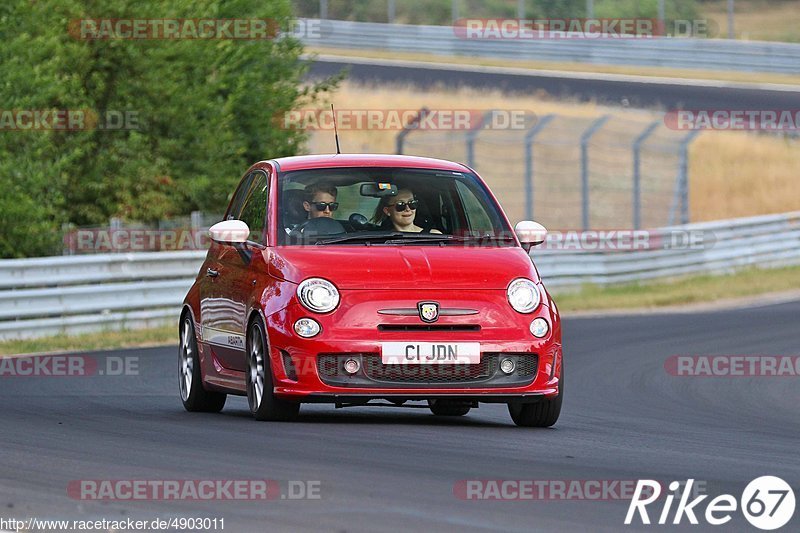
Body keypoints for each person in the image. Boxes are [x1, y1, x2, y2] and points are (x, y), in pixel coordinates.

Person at [372, 188, 442, 233]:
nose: (408, 209)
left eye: (412, 203)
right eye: (400, 205)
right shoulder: (379, 239)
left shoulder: (435, 236)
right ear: (387, 211)